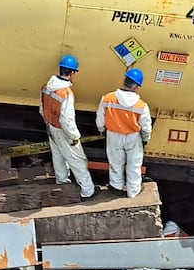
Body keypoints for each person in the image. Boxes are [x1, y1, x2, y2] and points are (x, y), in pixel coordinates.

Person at [39, 55, 96, 201]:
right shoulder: (66, 93)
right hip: (63, 131)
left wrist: (49, 122)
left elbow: (41, 108)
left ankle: (62, 182)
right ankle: (87, 191)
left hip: (51, 127)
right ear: (72, 73)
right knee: (77, 160)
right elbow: (66, 119)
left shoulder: (46, 86)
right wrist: (74, 137)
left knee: (57, 156)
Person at [96, 68, 152, 198]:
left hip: (113, 135)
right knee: (134, 165)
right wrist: (145, 139)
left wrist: (101, 130)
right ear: (137, 87)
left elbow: (100, 117)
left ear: (124, 81)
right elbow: (146, 126)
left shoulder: (108, 98)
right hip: (133, 137)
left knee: (115, 163)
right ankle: (133, 192)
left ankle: (116, 187)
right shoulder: (141, 105)